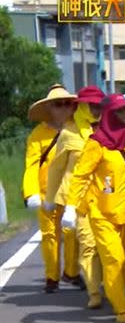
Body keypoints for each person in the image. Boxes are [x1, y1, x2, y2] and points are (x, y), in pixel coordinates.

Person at [61, 94, 125, 323]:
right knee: (113, 260)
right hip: (103, 214)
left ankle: (113, 287)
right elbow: (80, 177)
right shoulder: (96, 144)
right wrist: (70, 207)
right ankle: (122, 308)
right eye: (121, 111)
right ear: (109, 114)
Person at [44, 86, 105, 306]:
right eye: (93, 105)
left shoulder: (107, 129)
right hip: (76, 199)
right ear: (83, 106)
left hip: (105, 198)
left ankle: (110, 280)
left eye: (100, 105)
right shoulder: (68, 133)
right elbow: (56, 169)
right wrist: (50, 198)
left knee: (109, 247)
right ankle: (94, 292)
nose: (97, 109)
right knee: (88, 245)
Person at [23, 84, 81, 293]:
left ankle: (72, 272)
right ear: (50, 108)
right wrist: (30, 193)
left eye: (68, 104)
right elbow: (31, 165)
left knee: (72, 232)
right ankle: (52, 276)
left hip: (71, 190)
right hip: (45, 192)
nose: (64, 108)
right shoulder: (38, 135)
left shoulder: (78, 128)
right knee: (49, 235)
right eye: (59, 104)